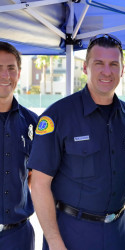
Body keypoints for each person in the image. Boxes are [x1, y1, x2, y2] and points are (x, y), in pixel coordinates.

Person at [28, 34, 125, 250]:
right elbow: (39, 185)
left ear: (122, 70)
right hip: (71, 235)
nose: (107, 71)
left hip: (118, 233)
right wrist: (54, 242)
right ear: (86, 68)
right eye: (99, 63)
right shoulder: (58, 116)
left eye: (113, 64)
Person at [0, 42, 38, 249]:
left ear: (19, 73)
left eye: (10, 68)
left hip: (19, 236)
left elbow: (33, 175)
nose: (5, 75)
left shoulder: (33, 123)